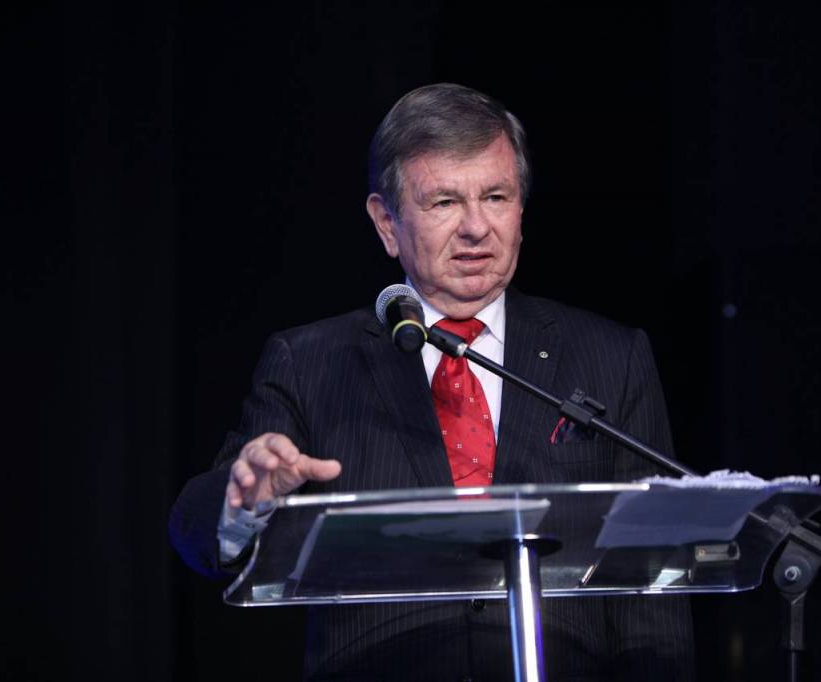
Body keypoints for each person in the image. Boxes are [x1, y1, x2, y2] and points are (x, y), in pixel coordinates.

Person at [169, 83, 694, 681]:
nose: (476, 227)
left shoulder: (611, 356)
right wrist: (243, 502)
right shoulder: (310, 362)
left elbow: (657, 589)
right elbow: (194, 533)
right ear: (386, 223)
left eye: (496, 197)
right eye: (445, 201)